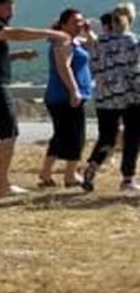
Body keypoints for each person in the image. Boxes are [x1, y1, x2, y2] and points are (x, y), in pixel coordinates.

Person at [0, 0, 68, 199]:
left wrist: (19, 56)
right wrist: (52, 33)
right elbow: (17, 34)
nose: (11, 14)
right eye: (7, 9)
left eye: (12, 10)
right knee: (8, 136)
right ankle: (3, 184)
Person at [83, 4, 140, 193]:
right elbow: (135, 71)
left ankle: (92, 167)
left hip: (104, 95)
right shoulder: (132, 41)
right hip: (130, 96)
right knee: (132, 137)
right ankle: (127, 178)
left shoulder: (99, 41)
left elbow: (94, 67)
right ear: (130, 19)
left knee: (107, 136)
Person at [37, 10, 93, 188]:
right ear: (64, 24)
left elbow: (94, 44)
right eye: (75, 21)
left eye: (81, 21)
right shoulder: (64, 41)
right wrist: (74, 91)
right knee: (76, 136)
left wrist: (88, 30)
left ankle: (46, 173)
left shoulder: (74, 41)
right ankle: (70, 175)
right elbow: (64, 67)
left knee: (61, 135)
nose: (79, 24)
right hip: (64, 97)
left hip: (65, 96)